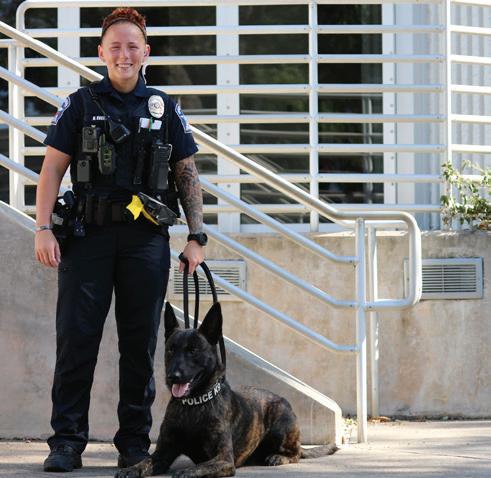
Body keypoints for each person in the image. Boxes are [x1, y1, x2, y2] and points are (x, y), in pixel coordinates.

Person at [34, 7, 208, 473]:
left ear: (146, 52)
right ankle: (66, 442)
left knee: (139, 345)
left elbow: (186, 172)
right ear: (101, 53)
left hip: (145, 241)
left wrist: (197, 237)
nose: (124, 55)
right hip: (86, 238)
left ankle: (134, 444)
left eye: (133, 46)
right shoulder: (80, 103)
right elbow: (51, 168)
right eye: (115, 47)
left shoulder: (165, 107)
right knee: (76, 341)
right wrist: (43, 227)